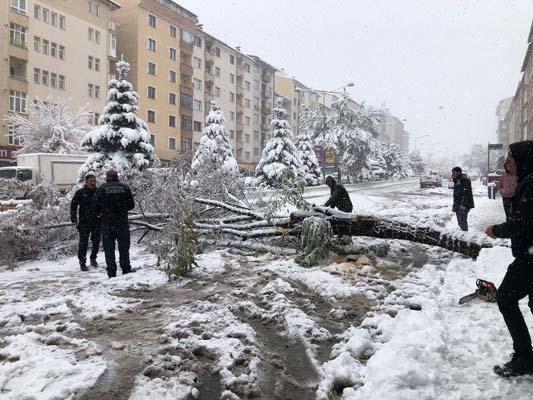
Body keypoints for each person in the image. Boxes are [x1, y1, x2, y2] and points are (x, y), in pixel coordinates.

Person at [486, 141, 533, 377]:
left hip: (530, 257)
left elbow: (523, 222)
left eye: (511, 157)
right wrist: (508, 193)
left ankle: (524, 357)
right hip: (529, 253)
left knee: (505, 298)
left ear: (524, 159)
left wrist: (497, 230)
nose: (507, 162)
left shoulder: (531, 183)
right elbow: (520, 214)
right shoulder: (526, 181)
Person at [94, 169, 135, 278]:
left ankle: (111, 272)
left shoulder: (101, 189)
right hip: (122, 223)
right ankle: (126, 268)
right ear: (117, 176)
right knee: (124, 247)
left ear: (106, 177)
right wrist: (121, 208)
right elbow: (131, 205)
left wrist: (105, 211)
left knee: (109, 249)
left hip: (107, 224)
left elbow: (95, 207)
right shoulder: (125, 188)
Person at [70, 173, 101, 271]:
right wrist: (73, 217)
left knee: (96, 242)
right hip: (84, 222)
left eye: (94, 181)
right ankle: (82, 262)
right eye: (90, 181)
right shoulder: (80, 193)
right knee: (83, 243)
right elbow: (73, 205)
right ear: (86, 182)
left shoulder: (99, 192)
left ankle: (93, 258)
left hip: (97, 221)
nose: (93, 183)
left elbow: (104, 205)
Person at [451, 166, 474, 231]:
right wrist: (454, 205)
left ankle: (465, 236)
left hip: (464, 205)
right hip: (458, 205)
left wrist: (463, 205)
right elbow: (455, 195)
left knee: (462, 222)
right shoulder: (456, 181)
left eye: (454, 172)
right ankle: (463, 236)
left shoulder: (465, 180)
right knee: (460, 223)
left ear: (459, 172)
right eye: (452, 172)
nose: (453, 174)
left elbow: (466, 194)